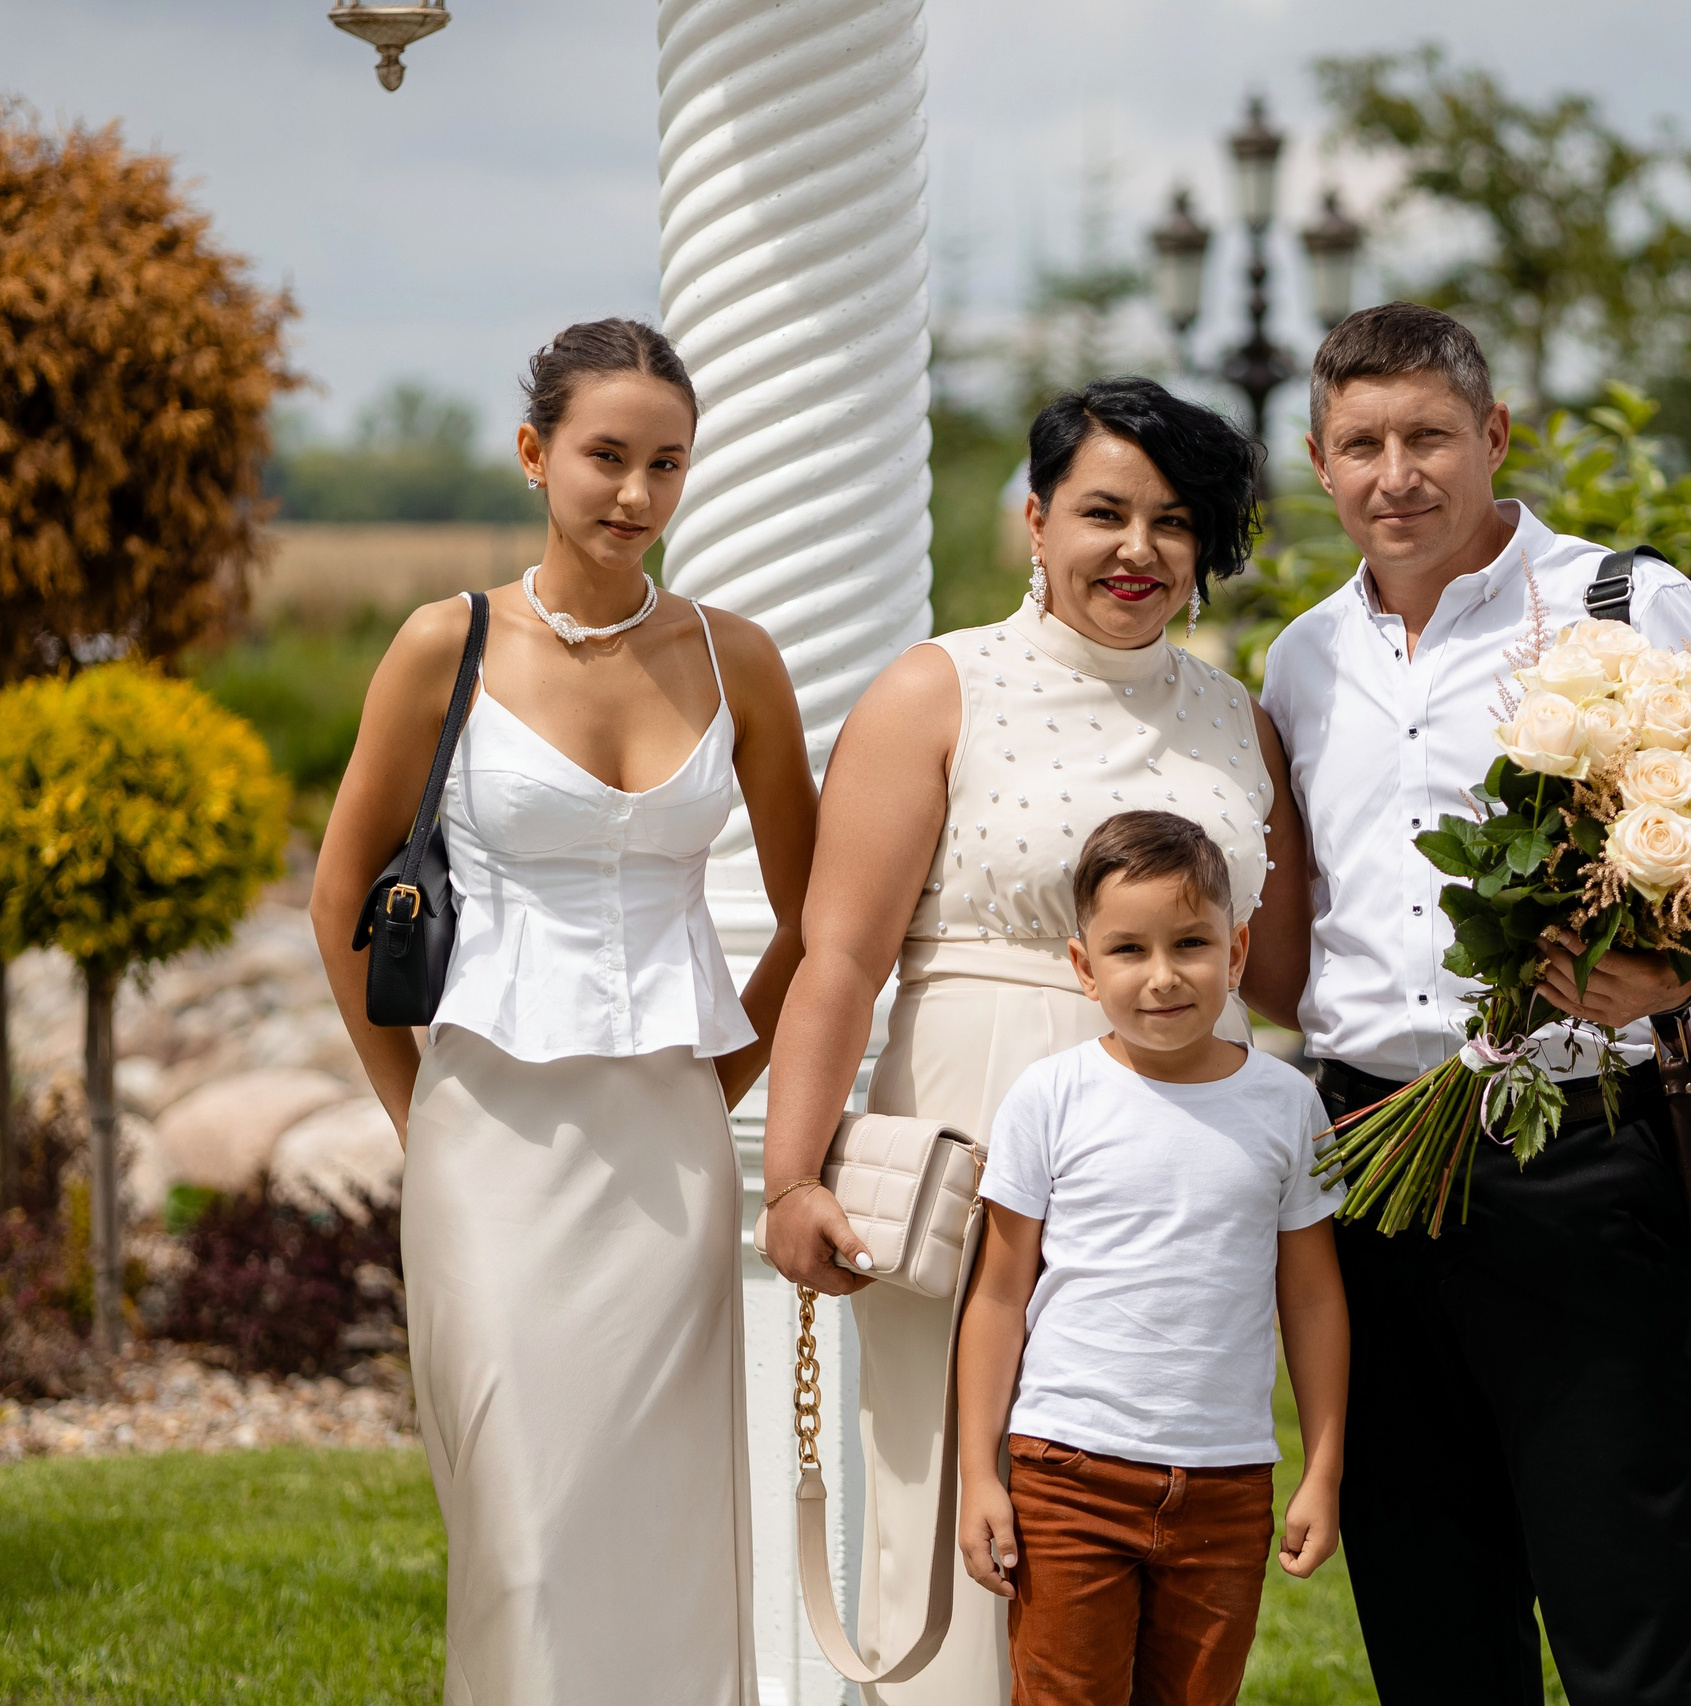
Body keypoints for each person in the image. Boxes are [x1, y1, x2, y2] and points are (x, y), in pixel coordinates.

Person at [756, 377, 1313, 1704]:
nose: (1137, 550)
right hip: (976, 1140)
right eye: (1103, 512)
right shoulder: (937, 688)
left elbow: (1284, 968)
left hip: (1183, 1175)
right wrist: (791, 1175)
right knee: (955, 1513)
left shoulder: (1239, 717)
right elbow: (838, 955)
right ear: (1035, 519)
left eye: (1173, 522)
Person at [309, 317, 820, 1703]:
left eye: (666, 464)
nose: (633, 494)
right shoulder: (444, 643)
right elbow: (339, 896)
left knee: (664, 1531)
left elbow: (818, 921)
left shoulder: (736, 659)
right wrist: (422, 1113)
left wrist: (709, 1081)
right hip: (485, 1145)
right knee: (524, 1539)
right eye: (604, 456)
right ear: (535, 453)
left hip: (666, 1150)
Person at [1258, 302, 1691, 1706]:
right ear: (1318, 458)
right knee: (1424, 1596)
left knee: (1622, 1586)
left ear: (1495, 435)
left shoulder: (1625, 608)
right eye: (1362, 444)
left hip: (1577, 1146)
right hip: (1369, 1153)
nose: (1395, 473)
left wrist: (1678, 971)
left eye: (1428, 437)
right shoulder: (1297, 660)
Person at [952, 810, 1350, 1706]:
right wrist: (982, 1474)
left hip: (1227, 1485)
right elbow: (999, 1297)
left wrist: (1322, 1470)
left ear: (1238, 948)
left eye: (1192, 942)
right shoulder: (1050, 1098)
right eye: (1128, 949)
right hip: (1068, 1479)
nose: (1163, 976)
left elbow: (1315, 1301)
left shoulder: (1287, 1106)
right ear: (1084, 968)